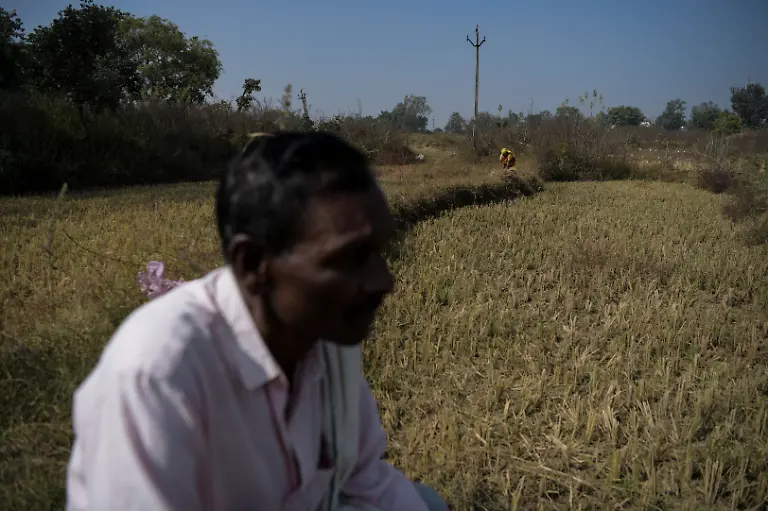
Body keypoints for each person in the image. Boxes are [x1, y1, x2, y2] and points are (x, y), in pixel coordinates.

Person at [65, 132, 448, 511]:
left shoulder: (327, 339)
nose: (385, 282)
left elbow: (363, 476)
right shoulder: (157, 374)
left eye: (378, 252)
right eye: (349, 259)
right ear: (252, 264)